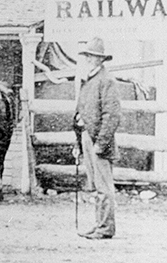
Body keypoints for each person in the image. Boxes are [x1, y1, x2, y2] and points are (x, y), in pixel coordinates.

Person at [72, 37, 121, 239]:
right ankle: (98, 224)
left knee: (104, 187)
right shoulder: (88, 81)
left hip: (99, 142)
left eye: (95, 56)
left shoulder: (107, 81)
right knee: (94, 186)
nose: (91, 59)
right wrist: (77, 140)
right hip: (86, 138)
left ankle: (106, 228)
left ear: (101, 59)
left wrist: (101, 143)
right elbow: (81, 111)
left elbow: (112, 116)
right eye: (88, 56)